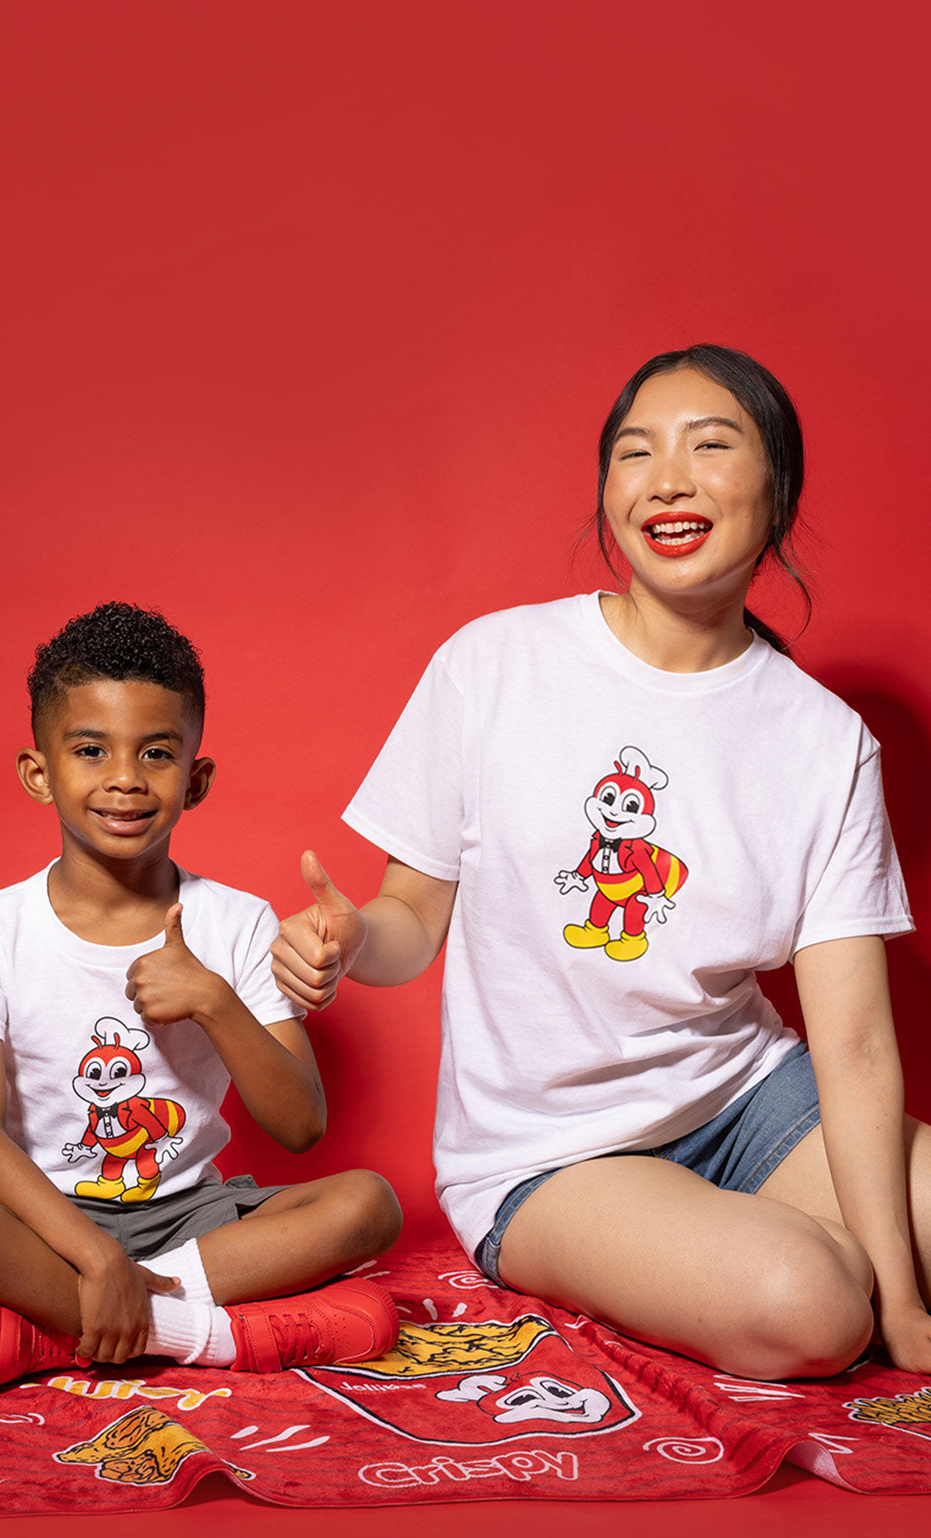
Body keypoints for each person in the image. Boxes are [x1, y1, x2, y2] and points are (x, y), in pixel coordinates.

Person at [271, 343, 931, 1382]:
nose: (666, 478)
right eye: (635, 452)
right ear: (608, 493)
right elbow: (409, 922)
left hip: (746, 1099)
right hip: (549, 1153)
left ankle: (811, 1259)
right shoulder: (493, 665)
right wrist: (353, 936)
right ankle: (766, 1259)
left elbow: (848, 1045)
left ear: (778, 489)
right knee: (809, 1305)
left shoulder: (824, 738)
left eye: (709, 445)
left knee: (880, 1277)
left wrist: (905, 1301)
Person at [0, 602, 401, 1391]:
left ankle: (67, 1329)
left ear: (197, 777)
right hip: (47, 1224)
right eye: (90, 750)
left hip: (193, 1219)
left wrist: (214, 999)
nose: (124, 778)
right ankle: (195, 1333)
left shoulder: (236, 922)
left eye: (156, 753)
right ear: (39, 773)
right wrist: (95, 1255)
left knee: (368, 1205)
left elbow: (300, 1127)